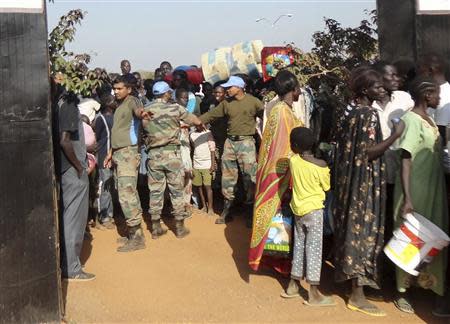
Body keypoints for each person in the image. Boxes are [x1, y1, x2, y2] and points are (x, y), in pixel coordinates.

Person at [333, 67, 404, 317]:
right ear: (365, 90)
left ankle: (355, 286)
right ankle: (357, 294)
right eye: (377, 86)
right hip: (364, 182)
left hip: (349, 181)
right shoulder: (368, 115)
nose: (382, 89)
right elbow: (368, 152)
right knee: (362, 232)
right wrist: (395, 135)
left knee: (352, 228)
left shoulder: (350, 112)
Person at [392, 76, 449, 316]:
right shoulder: (411, 120)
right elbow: (406, 160)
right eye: (436, 94)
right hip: (415, 188)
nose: (439, 98)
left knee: (434, 238)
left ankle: (433, 287)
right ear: (427, 95)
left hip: (433, 186)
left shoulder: (430, 120)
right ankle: (403, 291)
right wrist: (408, 198)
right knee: (411, 240)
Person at [249, 70, 303, 272]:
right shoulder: (281, 111)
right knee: (279, 216)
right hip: (280, 172)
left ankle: (276, 257)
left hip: (279, 171)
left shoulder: (282, 109)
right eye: (298, 88)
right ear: (293, 89)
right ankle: (277, 261)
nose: (300, 92)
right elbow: (281, 147)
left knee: (280, 216)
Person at [143, 81, 204, 239]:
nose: (171, 94)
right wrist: (200, 125)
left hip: (154, 156)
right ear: (166, 93)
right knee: (176, 191)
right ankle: (179, 227)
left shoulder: (146, 109)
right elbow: (195, 121)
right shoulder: (175, 108)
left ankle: (155, 227)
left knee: (155, 192)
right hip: (172, 156)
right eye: (169, 92)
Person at [200, 76, 264, 225]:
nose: (227, 90)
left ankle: (250, 211)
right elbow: (210, 115)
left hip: (246, 142)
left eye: (230, 87)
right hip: (230, 142)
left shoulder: (254, 102)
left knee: (249, 178)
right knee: (227, 177)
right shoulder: (226, 104)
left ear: (239, 87)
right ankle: (226, 210)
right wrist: (195, 121)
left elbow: (265, 118)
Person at [282, 127, 334, 307]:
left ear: (295, 146)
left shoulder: (294, 161)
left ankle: (293, 285)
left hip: (298, 211)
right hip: (314, 212)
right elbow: (326, 188)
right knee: (314, 250)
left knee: (298, 246)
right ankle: (313, 293)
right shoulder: (322, 166)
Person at [52, 74, 94, 281]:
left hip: (65, 168)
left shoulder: (55, 103)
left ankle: (67, 264)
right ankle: (72, 268)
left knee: (68, 217)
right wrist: (79, 167)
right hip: (72, 169)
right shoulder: (68, 103)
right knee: (73, 220)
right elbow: (65, 141)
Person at [104, 75, 151, 252]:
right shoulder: (120, 106)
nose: (115, 92)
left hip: (128, 154)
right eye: (114, 89)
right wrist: (111, 152)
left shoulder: (132, 101)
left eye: (119, 89)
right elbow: (119, 132)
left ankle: (137, 237)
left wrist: (143, 114)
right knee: (127, 193)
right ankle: (133, 234)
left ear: (129, 89)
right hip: (119, 154)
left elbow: (139, 111)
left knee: (127, 195)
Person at [95, 94, 117, 229]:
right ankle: (104, 216)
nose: (116, 102)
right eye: (113, 100)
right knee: (104, 187)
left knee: (111, 187)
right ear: (108, 103)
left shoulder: (115, 118)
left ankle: (110, 213)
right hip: (104, 157)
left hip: (114, 157)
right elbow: (97, 139)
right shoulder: (100, 119)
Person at [417, 54, 450, 143]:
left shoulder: (443, 97)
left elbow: (443, 133)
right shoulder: (435, 92)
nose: (417, 72)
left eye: (419, 68)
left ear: (430, 70)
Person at [175, 88, 194, 218]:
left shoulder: (187, 113)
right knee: (177, 176)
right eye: (183, 98)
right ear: (176, 98)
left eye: (187, 98)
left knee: (188, 174)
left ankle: (186, 203)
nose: (185, 100)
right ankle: (177, 206)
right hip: (176, 149)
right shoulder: (173, 112)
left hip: (186, 147)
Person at [190, 127, 216, 215]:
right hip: (196, 164)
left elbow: (212, 149)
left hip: (207, 164)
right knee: (199, 187)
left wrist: (212, 164)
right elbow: (194, 148)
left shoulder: (208, 133)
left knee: (208, 187)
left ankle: (210, 208)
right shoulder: (192, 135)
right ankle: (204, 206)